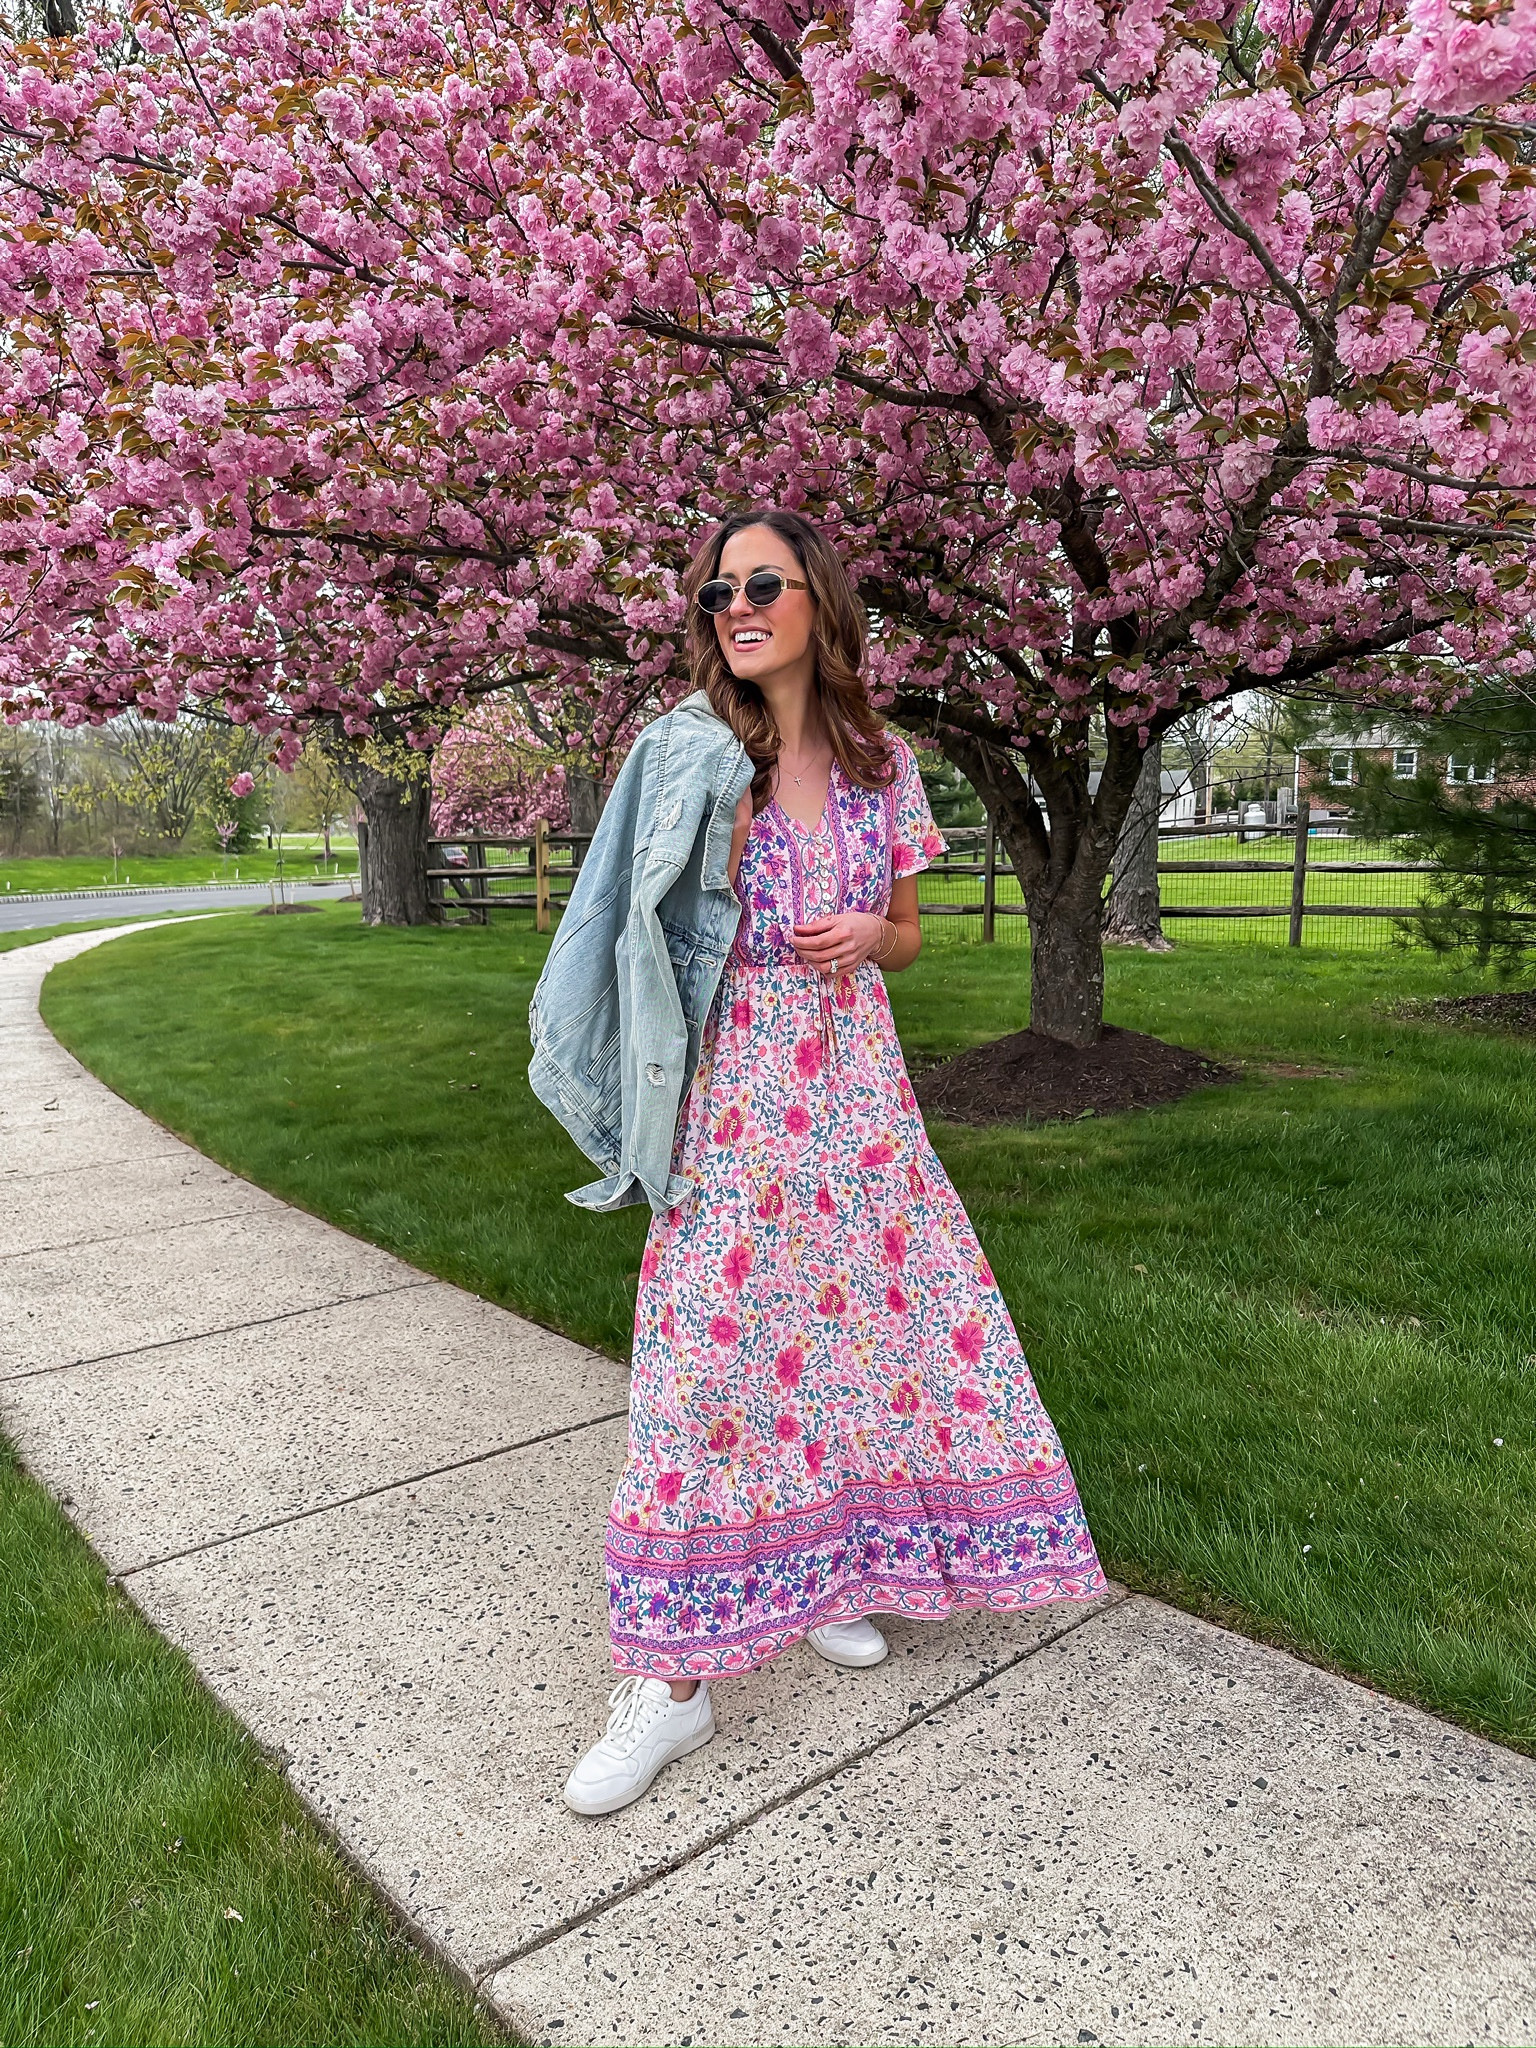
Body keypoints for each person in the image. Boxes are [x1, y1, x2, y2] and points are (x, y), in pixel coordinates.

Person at [539, 508, 1105, 1816]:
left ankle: (827, 1581)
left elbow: (910, 933)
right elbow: (617, 927)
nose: (737, 604)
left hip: (856, 1096)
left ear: (818, 605)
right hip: (733, 1092)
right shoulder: (682, 756)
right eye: (719, 588)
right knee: (699, 1365)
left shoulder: (881, 762)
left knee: (855, 1344)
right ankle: (666, 1687)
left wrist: (869, 931)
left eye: (764, 584)